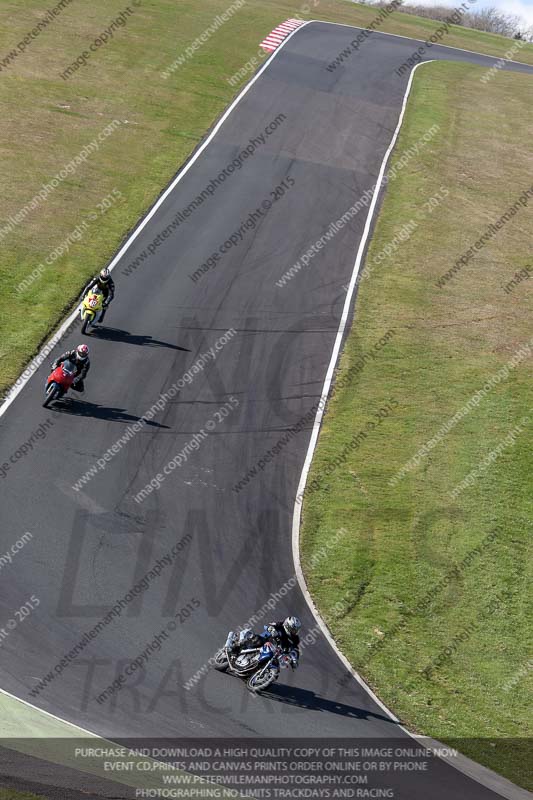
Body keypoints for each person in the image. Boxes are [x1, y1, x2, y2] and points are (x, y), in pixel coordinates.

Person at [231, 616, 301, 668]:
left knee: (276, 663)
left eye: (296, 630)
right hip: (264, 641)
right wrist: (270, 629)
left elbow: (295, 650)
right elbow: (267, 626)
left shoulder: (294, 639)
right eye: (294, 629)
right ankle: (237, 646)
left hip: (275, 652)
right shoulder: (279, 626)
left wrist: (294, 661)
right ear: (288, 626)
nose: (294, 632)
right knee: (257, 641)